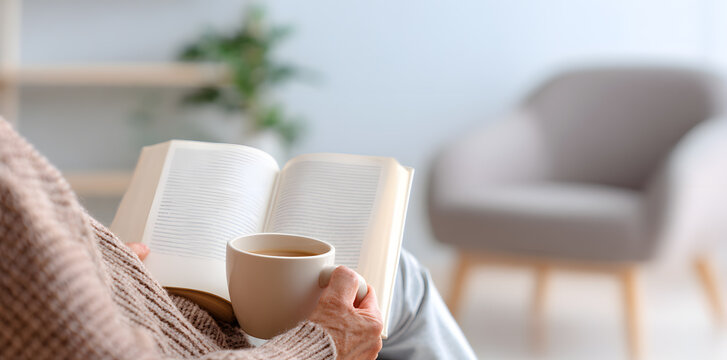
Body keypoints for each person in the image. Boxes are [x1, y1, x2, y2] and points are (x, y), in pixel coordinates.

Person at [0, 118, 476, 360]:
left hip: (143, 302)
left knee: (397, 275)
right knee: (394, 284)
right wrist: (324, 343)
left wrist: (110, 266)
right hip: (192, 338)